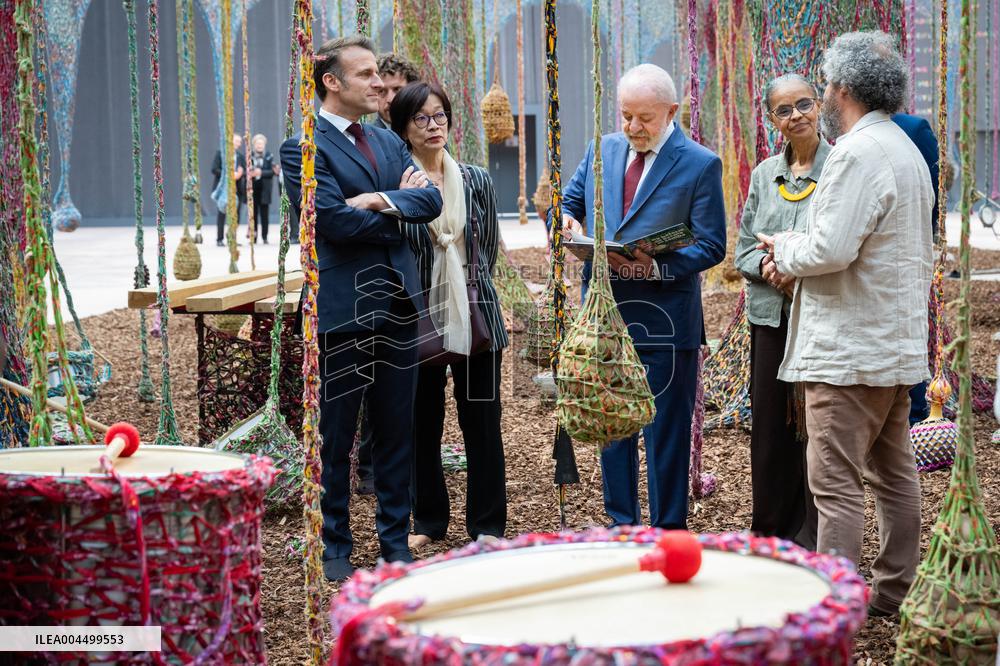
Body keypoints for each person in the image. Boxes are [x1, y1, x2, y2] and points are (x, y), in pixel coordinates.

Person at [756, 31, 933, 618]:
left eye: (826, 85)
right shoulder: (905, 148)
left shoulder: (857, 152)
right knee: (893, 475)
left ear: (844, 88)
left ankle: (833, 611)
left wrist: (782, 247)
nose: (823, 96)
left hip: (848, 353)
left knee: (834, 487)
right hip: (892, 347)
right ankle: (893, 591)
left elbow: (830, 248)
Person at [279, 35, 443, 582]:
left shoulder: (389, 142)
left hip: (398, 305)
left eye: (379, 74)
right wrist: (398, 210)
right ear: (332, 81)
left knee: (398, 433)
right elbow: (331, 221)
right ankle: (334, 547)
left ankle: (395, 545)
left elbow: (431, 201)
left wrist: (377, 200)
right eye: (368, 74)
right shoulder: (300, 146)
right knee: (337, 436)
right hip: (344, 310)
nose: (380, 83)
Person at [559, 63, 727, 530]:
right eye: (625, 116)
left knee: (665, 435)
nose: (632, 128)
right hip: (604, 319)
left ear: (672, 111)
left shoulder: (700, 163)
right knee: (612, 425)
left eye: (645, 119)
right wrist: (569, 224)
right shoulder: (602, 149)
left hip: (666, 319)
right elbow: (570, 203)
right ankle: (621, 526)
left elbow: (712, 245)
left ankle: (668, 531)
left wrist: (654, 265)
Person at [389, 82, 509, 548]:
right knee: (422, 423)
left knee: (481, 420)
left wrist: (469, 292)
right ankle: (430, 522)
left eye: (439, 116)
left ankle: (487, 526)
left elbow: (488, 248)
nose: (434, 125)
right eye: (421, 118)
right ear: (403, 128)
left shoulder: (476, 179)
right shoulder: (399, 183)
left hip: (476, 313)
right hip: (418, 315)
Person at [734, 74, 827, 550]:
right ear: (772, 119)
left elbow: (841, 244)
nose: (796, 117)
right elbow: (743, 250)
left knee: (818, 429)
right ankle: (770, 535)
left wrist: (798, 270)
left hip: (821, 319)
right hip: (770, 319)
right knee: (771, 429)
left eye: (803, 104)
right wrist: (773, 267)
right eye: (783, 110)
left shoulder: (839, 169)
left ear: (821, 103)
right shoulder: (765, 175)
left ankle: (813, 538)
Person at [892, 112, 941, 425]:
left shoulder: (911, 129)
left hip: (904, 251)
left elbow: (931, 197)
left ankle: (915, 415)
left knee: (905, 326)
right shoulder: (838, 128)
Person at [212, 133, 247, 247]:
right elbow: (214, 169)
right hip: (223, 188)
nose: (239, 143)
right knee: (222, 213)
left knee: (235, 215)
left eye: (239, 142)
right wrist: (229, 174)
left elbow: (245, 171)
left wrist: (240, 174)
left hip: (237, 189)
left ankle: (232, 238)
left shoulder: (240, 156)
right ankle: (220, 239)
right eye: (236, 141)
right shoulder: (221, 153)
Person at [374, 53, 419, 130]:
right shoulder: (365, 140)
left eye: (397, 90)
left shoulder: (429, 135)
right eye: (381, 91)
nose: (390, 99)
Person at [248, 134, 276, 244]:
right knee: (253, 214)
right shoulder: (249, 155)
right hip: (253, 189)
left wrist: (261, 172)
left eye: (261, 144)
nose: (260, 146)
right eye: (258, 144)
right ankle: (253, 237)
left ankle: (264, 237)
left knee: (265, 214)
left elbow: (272, 172)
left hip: (265, 189)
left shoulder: (269, 156)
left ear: (264, 145)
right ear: (254, 145)